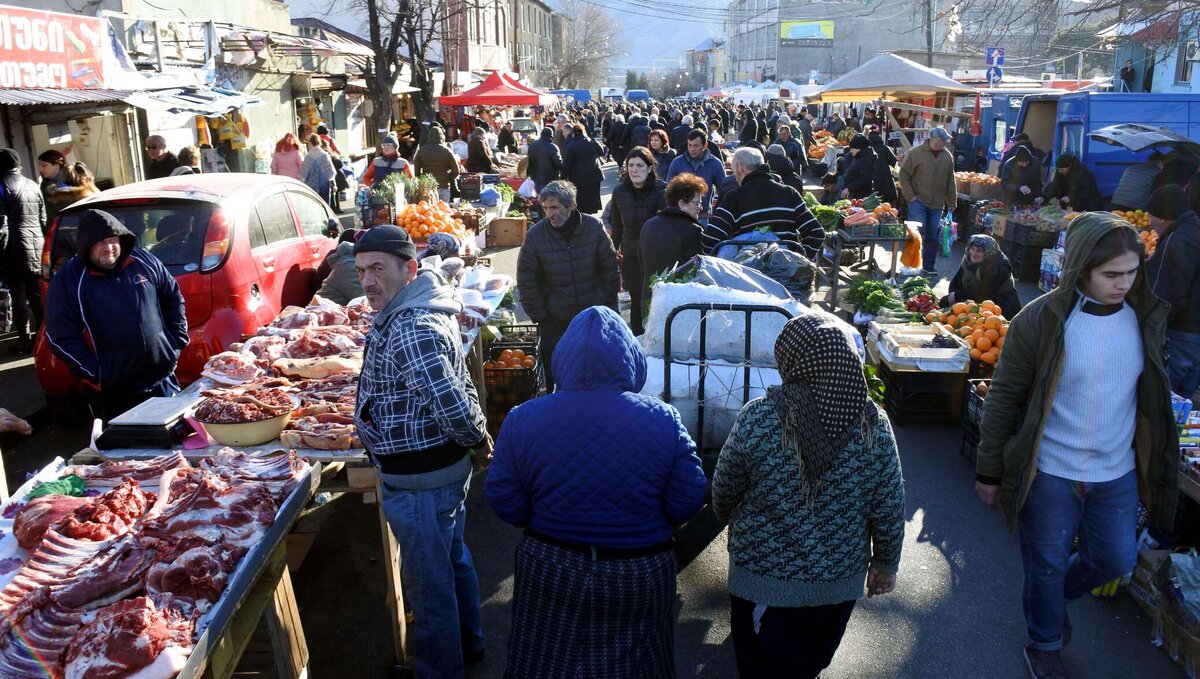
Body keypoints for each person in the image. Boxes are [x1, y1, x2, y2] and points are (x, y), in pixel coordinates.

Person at [974, 212, 1177, 679]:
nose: (1124, 283)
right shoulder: (1041, 320)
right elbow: (1003, 396)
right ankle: (1044, 642)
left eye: (1131, 272)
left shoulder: (1143, 320)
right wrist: (990, 471)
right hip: (1049, 471)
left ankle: (1048, 596)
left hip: (1116, 470)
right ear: (1081, 268)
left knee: (1116, 559)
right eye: (1112, 274)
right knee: (1044, 563)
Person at [486, 305, 707, 679]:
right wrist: (649, 522)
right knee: (639, 665)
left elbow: (504, 497)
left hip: (551, 565)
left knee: (545, 661)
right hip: (640, 569)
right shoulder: (662, 418)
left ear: (562, 361)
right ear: (631, 361)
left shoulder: (523, 418)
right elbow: (689, 495)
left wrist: (543, 518)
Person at [713, 313, 905, 679]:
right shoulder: (873, 424)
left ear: (792, 359)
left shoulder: (760, 418)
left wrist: (730, 517)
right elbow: (889, 503)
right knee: (808, 665)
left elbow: (723, 492)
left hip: (764, 583)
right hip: (837, 589)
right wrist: (886, 564)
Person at [350, 225, 490, 679]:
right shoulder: (411, 308)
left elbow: (451, 401)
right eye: (360, 271)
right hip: (431, 474)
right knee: (451, 561)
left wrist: (476, 437)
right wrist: (475, 438)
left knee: (428, 589)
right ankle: (470, 646)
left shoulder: (411, 327)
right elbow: (458, 385)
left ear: (409, 269)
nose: (367, 281)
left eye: (377, 269)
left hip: (420, 482)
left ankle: (438, 670)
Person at [44, 209, 187, 421]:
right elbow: (60, 336)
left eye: (112, 240)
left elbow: (172, 297)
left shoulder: (142, 261)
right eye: (100, 242)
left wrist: (177, 341)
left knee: (176, 444)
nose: (108, 248)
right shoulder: (68, 281)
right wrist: (96, 374)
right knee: (125, 453)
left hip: (161, 380)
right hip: (113, 393)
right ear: (86, 244)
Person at [516, 181, 618, 391]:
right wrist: (541, 314)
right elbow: (526, 279)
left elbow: (609, 267)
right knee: (558, 374)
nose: (549, 213)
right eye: (545, 208)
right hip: (555, 319)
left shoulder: (592, 227)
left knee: (595, 371)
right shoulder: (536, 236)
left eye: (554, 207)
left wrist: (606, 301)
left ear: (570, 205)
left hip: (593, 314)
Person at [706, 147, 824, 258]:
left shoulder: (734, 198)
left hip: (746, 276)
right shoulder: (789, 193)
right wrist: (798, 260)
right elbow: (816, 232)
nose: (734, 176)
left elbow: (710, 239)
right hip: (785, 276)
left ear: (740, 167)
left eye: (733, 170)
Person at [1144, 185, 1200, 397]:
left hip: (1182, 331)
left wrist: (1149, 326)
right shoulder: (1193, 229)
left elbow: (1166, 293)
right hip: (1194, 333)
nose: (1149, 222)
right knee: (1184, 396)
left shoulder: (1177, 241)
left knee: (1165, 396)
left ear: (1164, 218)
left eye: (1151, 217)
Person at [604, 147, 665, 336]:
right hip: (630, 253)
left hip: (655, 254)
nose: (634, 170)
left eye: (639, 165)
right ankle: (639, 339)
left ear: (649, 168)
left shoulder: (662, 190)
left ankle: (658, 336)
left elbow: (666, 224)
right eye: (630, 165)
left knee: (656, 298)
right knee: (636, 298)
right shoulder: (619, 192)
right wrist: (613, 251)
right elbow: (616, 224)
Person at [1, 149, 45, 355]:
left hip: (13, 247)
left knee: (17, 294)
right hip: (37, 243)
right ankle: (44, 337)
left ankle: (24, 340)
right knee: (36, 294)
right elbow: (42, 218)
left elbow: (1, 225)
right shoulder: (33, 184)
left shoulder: (1, 185)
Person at [898, 127, 957, 275]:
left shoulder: (947, 157)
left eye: (945, 141)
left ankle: (928, 266)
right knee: (917, 234)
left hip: (937, 203)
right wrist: (910, 196)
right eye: (943, 140)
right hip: (918, 200)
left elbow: (951, 180)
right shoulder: (915, 153)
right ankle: (909, 264)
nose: (945, 143)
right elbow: (903, 174)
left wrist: (952, 202)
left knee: (932, 235)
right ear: (933, 139)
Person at [640, 173, 706, 299]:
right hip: (678, 301)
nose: (700, 208)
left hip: (650, 299)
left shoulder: (648, 224)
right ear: (682, 204)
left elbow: (642, 264)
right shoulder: (693, 230)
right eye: (697, 203)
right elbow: (696, 271)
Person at [943, 235, 1023, 317]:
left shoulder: (998, 267)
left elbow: (983, 295)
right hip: (975, 300)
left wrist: (956, 296)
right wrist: (952, 298)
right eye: (972, 249)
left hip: (999, 306)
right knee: (944, 303)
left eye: (979, 251)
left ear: (988, 252)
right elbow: (955, 282)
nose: (974, 254)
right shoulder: (968, 260)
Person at [665, 130, 727, 218]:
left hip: (703, 215)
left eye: (696, 146)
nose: (692, 149)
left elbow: (723, 191)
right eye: (689, 145)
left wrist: (716, 214)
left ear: (705, 146)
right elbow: (668, 189)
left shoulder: (715, 164)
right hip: (679, 215)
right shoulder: (677, 162)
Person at [38, 152, 100, 224]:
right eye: (40, 166)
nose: (41, 169)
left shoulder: (56, 192)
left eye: (44, 165)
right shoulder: (45, 185)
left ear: (57, 165)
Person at [561, 124, 605, 214]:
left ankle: (584, 219)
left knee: (581, 200)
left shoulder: (572, 145)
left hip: (579, 177)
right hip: (594, 174)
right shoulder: (591, 141)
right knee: (592, 198)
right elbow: (601, 151)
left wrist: (563, 177)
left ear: (573, 134)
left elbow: (567, 163)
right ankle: (590, 217)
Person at [413, 126, 461, 201]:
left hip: (428, 188)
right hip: (443, 186)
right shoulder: (447, 151)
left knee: (430, 210)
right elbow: (456, 171)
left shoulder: (421, 151)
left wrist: (422, 181)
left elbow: (416, 171)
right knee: (443, 209)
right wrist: (448, 178)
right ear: (442, 137)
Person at [299, 134, 336, 204]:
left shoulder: (308, 157)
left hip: (311, 186)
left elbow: (302, 174)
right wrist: (334, 185)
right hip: (324, 184)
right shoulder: (325, 155)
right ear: (319, 142)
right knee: (325, 206)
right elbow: (330, 173)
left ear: (310, 143)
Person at [525, 127, 562, 193]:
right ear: (551, 136)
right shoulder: (553, 147)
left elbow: (528, 160)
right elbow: (558, 164)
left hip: (534, 178)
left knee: (537, 200)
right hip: (549, 180)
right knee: (548, 200)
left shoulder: (532, 145)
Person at [840, 134, 875, 200]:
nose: (851, 151)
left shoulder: (866, 159)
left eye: (852, 149)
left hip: (861, 195)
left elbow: (865, 178)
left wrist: (850, 188)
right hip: (855, 193)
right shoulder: (859, 156)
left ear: (859, 148)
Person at [869, 131, 898, 204]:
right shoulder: (884, 148)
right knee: (887, 206)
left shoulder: (868, 150)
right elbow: (894, 162)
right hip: (886, 182)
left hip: (873, 182)